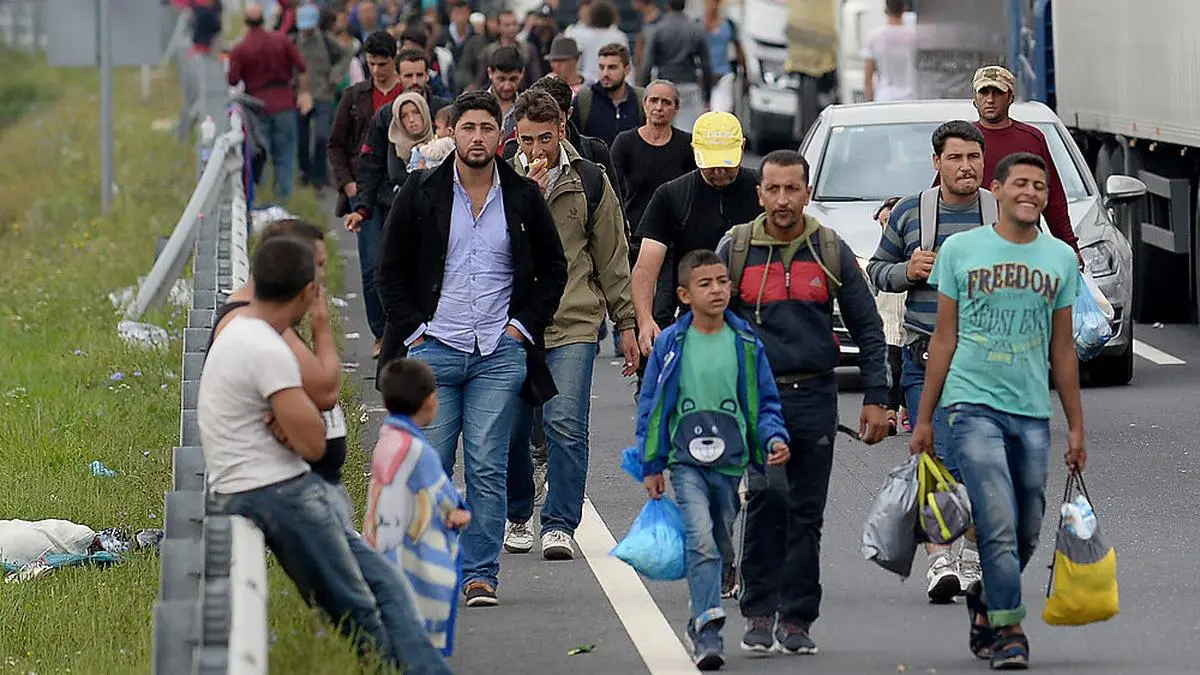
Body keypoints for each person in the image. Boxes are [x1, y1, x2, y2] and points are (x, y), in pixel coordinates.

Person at [199, 237, 451, 675]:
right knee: (358, 605)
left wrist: (290, 417)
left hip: (261, 485)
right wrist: (298, 419)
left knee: (382, 583)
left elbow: (306, 425)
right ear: (305, 292)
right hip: (273, 491)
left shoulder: (244, 332)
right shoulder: (265, 347)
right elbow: (315, 441)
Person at [374, 91, 568, 607]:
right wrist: (416, 331)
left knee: (486, 463)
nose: (477, 137)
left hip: (498, 354)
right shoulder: (421, 192)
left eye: (486, 128)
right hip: (434, 349)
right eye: (468, 128)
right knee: (434, 462)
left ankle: (480, 573)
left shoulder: (523, 196)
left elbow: (553, 271)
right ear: (451, 134)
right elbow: (388, 272)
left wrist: (522, 328)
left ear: (498, 137)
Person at [911, 151, 1087, 670]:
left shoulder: (1058, 259)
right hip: (970, 406)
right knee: (997, 519)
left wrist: (1076, 426)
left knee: (1028, 523)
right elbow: (943, 339)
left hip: (1030, 410)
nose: (1031, 193)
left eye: (1040, 186)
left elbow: (1063, 350)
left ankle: (988, 599)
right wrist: (924, 418)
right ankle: (1010, 631)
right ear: (999, 190)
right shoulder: (962, 250)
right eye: (1021, 184)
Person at [713, 150, 889, 656]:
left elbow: (868, 326)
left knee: (806, 512)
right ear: (760, 193)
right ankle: (758, 610)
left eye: (793, 189)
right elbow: (708, 321)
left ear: (807, 193)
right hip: (756, 398)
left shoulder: (830, 249)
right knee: (767, 497)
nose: (783, 200)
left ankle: (796, 619)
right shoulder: (736, 248)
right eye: (774, 190)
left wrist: (878, 395)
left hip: (814, 394)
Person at [636, 249, 791, 670]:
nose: (717, 290)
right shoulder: (671, 343)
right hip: (685, 462)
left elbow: (764, 403)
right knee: (700, 537)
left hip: (732, 462)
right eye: (705, 284)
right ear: (684, 295)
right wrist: (652, 463)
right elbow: (652, 404)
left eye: (722, 281)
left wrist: (773, 436)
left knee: (720, 536)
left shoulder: (744, 343)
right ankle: (706, 629)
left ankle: (712, 594)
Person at [501, 89, 638, 560]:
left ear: (561, 131)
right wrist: (526, 198)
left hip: (573, 319)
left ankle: (559, 523)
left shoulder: (589, 180)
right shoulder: (498, 180)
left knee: (564, 423)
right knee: (513, 428)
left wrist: (627, 323)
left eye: (544, 138)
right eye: (526, 140)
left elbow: (612, 256)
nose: (536, 150)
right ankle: (518, 513)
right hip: (512, 323)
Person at [868, 120, 996, 602]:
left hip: (990, 361)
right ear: (936, 162)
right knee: (936, 460)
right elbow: (877, 270)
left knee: (981, 461)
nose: (966, 166)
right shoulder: (909, 213)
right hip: (927, 358)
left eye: (973, 158)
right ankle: (940, 561)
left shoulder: (1001, 212)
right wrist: (908, 270)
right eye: (955, 157)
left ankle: (973, 560)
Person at [206, 220, 346, 507]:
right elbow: (325, 390)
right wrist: (321, 325)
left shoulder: (264, 321)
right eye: (317, 265)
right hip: (289, 487)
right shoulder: (256, 324)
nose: (320, 277)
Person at [632, 111, 761, 359]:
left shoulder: (762, 190)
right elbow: (645, 268)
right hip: (691, 318)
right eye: (711, 165)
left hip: (753, 317)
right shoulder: (672, 195)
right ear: (694, 151)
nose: (719, 172)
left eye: (726, 163)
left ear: (742, 148)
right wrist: (646, 320)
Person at [364, 358, 471, 657]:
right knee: (420, 631)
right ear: (430, 401)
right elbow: (440, 492)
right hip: (413, 549)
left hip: (383, 540)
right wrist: (457, 512)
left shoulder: (387, 441)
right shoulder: (418, 451)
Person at [933, 65, 1082, 262]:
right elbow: (940, 193)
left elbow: (1053, 197)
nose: (990, 100)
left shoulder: (1032, 139)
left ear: (1010, 97)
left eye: (998, 93)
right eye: (984, 92)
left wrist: (1069, 246)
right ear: (975, 99)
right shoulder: (961, 140)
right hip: (972, 248)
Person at [327, 30, 404, 358]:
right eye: (371, 64)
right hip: (365, 191)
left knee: (402, 262)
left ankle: (401, 330)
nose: (377, 70)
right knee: (372, 263)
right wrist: (347, 183)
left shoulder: (409, 95)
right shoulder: (355, 96)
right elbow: (335, 144)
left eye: (382, 63)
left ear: (394, 60)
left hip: (402, 189)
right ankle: (380, 332)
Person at [227, 3, 311, 204]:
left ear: (245, 21)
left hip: (257, 106)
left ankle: (261, 198)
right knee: (285, 154)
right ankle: (284, 198)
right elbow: (301, 67)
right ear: (263, 19)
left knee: (260, 154)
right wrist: (304, 92)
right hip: (284, 101)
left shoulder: (241, 48)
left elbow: (232, 79)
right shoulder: (281, 40)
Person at [610, 78, 697, 272]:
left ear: (677, 108)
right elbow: (612, 189)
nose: (659, 107)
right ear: (644, 103)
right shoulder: (625, 143)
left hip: (673, 241)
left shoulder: (686, 145)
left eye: (666, 102)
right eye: (654, 100)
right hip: (634, 238)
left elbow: (693, 192)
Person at [345, 92, 434, 244]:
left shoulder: (442, 144)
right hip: (397, 218)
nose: (411, 120)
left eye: (416, 112)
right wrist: (362, 209)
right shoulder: (394, 145)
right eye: (404, 116)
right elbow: (371, 170)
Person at [294, 4, 354, 190]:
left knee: (322, 137)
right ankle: (305, 171)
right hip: (300, 96)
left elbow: (346, 54)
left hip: (323, 95)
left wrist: (335, 75)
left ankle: (320, 176)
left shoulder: (327, 41)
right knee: (301, 139)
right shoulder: (292, 43)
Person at [638, 0, 713, 132]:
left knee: (661, 131)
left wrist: (643, 90)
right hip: (688, 84)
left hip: (664, 85)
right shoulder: (695, 29)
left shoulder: (658, 29)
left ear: (667, 6)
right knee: (687, 133)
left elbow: (647, 63)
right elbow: (706, 65)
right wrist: (707, 94)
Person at [874, 196, 908, 433]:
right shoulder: (880, 255)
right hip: (887, 322)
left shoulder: (915, 249)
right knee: (891, 367)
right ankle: (889, 412)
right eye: (884, 221)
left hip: (910, 324)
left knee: (909, 370)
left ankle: (906, 410)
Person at [570, 43, 644, 147]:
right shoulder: (584, 100)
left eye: (612, 67)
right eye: (601, 67)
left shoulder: (640, 101)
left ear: (627, 70)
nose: (605, 73)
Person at [863, 0, 917, 102]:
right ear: (904, 8)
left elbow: (868, 77)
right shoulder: (915, 36)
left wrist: (868, 101)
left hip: (885, 98)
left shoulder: (874, 37)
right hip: (911, 98)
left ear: (885, 10)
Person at [564, 0, 629, 83]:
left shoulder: (576, 33)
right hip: (607, 82)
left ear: (591, 16)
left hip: (587, 82)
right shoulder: (619, 36)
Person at [485, 46, 528, 144]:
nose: (507, 86)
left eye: (513, 79)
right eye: (501, 79)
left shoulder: (528, 108)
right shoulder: (475, 106)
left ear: (522, 74)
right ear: (490, 73)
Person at [397, 47, 454, 114]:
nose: (414, 81)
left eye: (419, 75)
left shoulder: (446, 109)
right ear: (398, 77)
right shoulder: (387, 113)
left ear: (427, 75)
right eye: (408, 76)